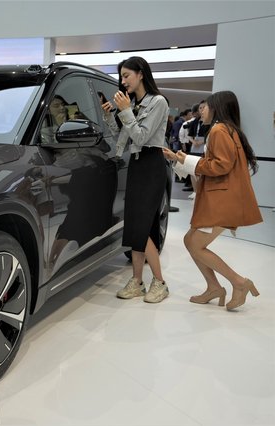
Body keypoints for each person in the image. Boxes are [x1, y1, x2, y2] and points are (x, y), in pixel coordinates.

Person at [163, 91, 262, 311]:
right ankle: (214, 287)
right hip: (224, 199)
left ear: (217, 107)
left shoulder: (218, 130)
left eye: (205, 106)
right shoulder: (230, 130)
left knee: (195, 243)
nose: (201, 110)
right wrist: (184, 160)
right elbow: (219, 163)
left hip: (221, 201)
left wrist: (188, 161)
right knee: (191, 241)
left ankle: (238, 282)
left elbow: (221, 165)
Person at [101, 56, 170, 303]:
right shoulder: (133, 104)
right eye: (121, 77)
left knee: (142, 227)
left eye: (127, 75)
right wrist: (111, 117)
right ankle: (137, 281)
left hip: (152, 164)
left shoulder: (158, 102)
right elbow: (122, 139)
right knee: (134, 225)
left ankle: (160, 283)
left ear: (141, 74)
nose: (123, 81)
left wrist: (125, 111)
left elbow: (141, 138)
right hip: (137, 165)